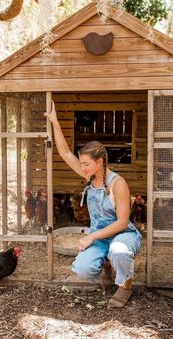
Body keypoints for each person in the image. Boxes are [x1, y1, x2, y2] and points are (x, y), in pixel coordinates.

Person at [45, 101, 142, 309]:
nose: (82, 167)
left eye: (86, 163)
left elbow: (123, 222)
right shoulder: (89, 176)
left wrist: (92, 236)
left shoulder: (118, 184)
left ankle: (126, 285)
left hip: (122, 234)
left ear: (100, 162)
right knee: (83, 269)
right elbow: (64, 153)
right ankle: (106, 264)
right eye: (81, 163)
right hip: (100, 235)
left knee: (119, 251)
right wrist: (55, 122)